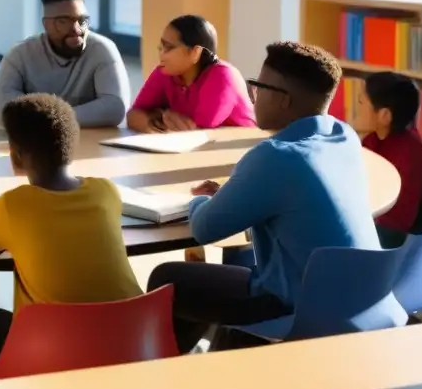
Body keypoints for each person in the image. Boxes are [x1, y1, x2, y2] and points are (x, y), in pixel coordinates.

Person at [146, 41, 382, 353]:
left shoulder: (275, 156)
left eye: (257, 85)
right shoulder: (344, 136)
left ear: (283, 99)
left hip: (301, 306)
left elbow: (204, 228)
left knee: (167, 278)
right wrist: (234, 196)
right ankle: (221, 360)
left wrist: (199, 201)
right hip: (363, 295)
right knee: (238, 260)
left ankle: (163, 371)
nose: (252, 95)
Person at [0, 94, 142, 364]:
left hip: (55, 352)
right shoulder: (106, 191)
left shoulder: (13, 205)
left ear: (15, 154)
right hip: (133, 343)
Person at [0, 0, 130, 128]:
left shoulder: (102, 50)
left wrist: (52, 118)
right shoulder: (20, 55)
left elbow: (115, 107)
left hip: (92, 144)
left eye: (82, 21)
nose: (77, 29)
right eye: (64, 21)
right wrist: (61, 118)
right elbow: (0, 111)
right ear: (46, 24)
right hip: (36, 146)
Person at [127, 15, 255, 133]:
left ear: (195, 52)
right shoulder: (165, 72)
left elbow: (197, 131)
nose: (161, 53)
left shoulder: (222, 76)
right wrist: (158, 120)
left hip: (240, 151)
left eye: (169, 47)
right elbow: (133, 115)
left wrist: (160, 116)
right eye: (161, 46)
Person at [357, 72, 422, 244]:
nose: (357, 109)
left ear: (384, 116)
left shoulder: (410, 156)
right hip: (375, 227)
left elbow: (395, 223)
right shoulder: (371, 140)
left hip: (397, 242)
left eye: (362, 103)